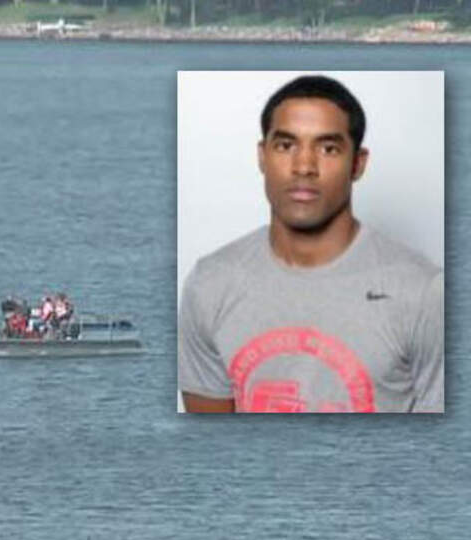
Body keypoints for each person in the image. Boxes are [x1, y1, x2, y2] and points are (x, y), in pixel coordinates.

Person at [178, 75, 443, 413]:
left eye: (328, 148)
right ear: (262, 156)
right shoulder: (210, 284)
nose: (304, 167)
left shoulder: (423, 293)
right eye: (285, 146)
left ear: (358, 164)